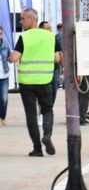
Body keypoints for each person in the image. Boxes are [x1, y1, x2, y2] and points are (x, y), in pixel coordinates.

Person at [8, 8, 61, 156]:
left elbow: (14, 57)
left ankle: (37, 148)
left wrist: (9, 57)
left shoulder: (24, 37)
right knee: (47, 110)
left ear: (32, 19)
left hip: (27, 83)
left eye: (23, 18)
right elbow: (57, 58)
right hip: (45, 80)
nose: (21, 22)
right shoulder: (50, 36)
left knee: (31, 115)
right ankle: (47, 135)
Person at [0, 26, 11, 126]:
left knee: (4, 99)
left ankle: (2, 117)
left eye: (0, 33)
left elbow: (10, 56)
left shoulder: (5, 44)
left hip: (4, 75)